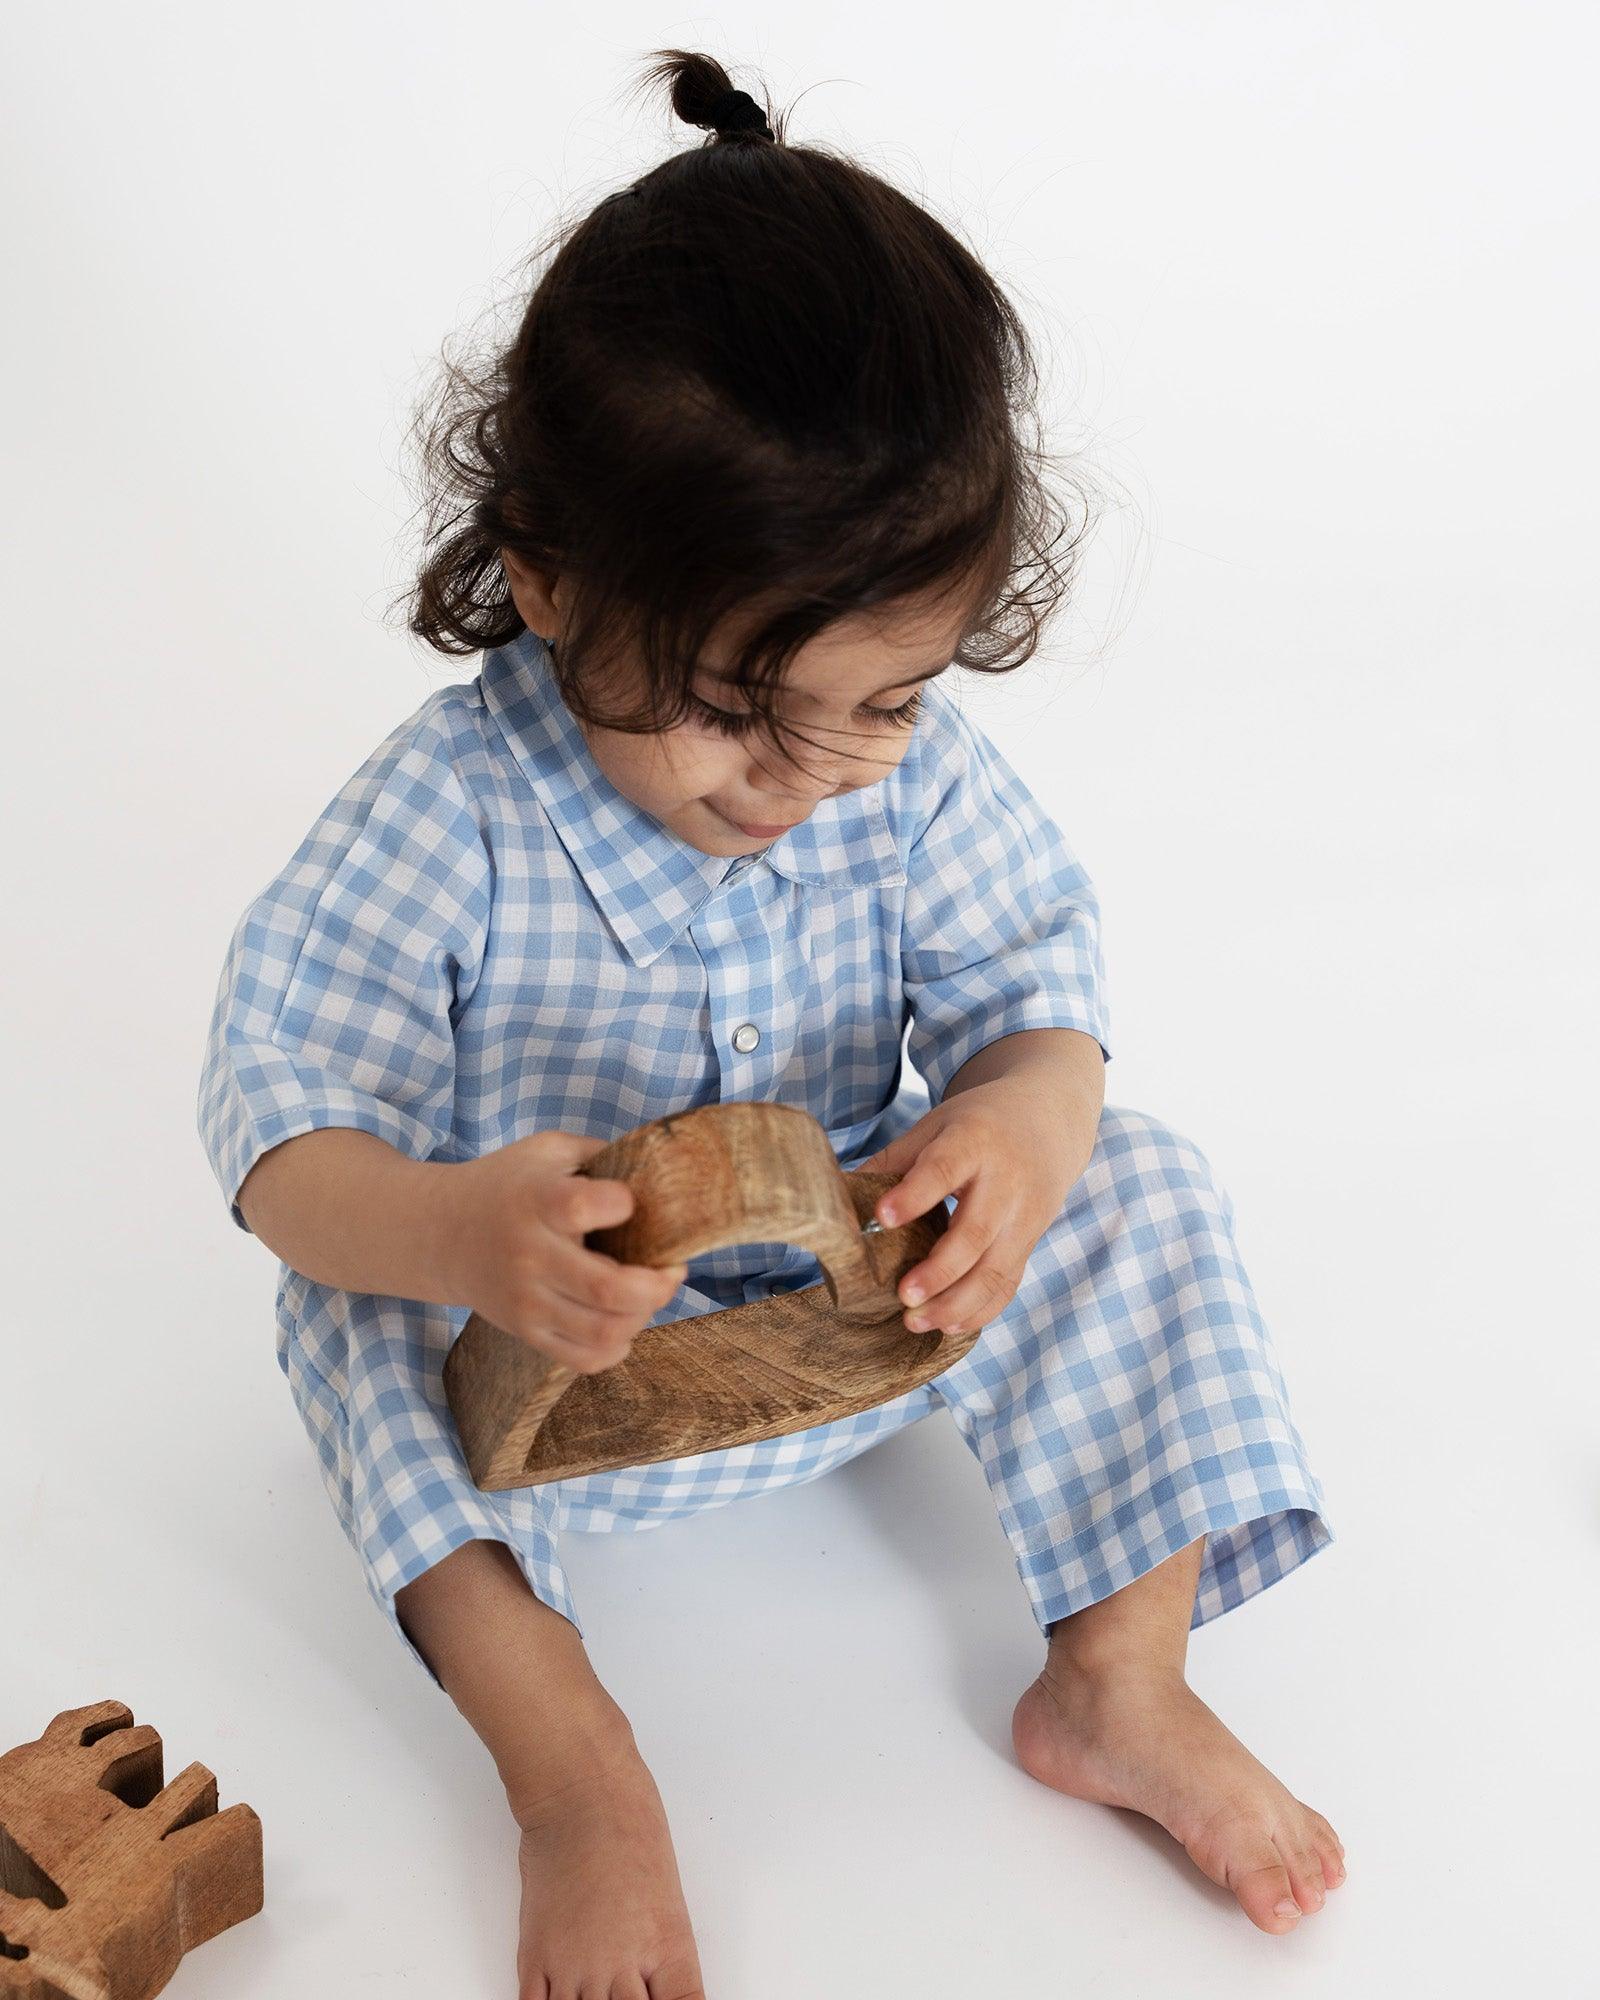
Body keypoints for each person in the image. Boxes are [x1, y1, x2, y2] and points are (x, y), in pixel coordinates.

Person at [195, 48, 1342, 1998]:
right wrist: (463, 1230)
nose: (810, 775)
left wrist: (1018, 1136)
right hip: (556, 1367)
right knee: (347, 1325)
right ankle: (575, 1773)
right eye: (738, 704)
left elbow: (1039, 1011)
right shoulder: (442, 823)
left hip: (865, 1303)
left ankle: (1116, 1677)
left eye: (879, 703)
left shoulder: (902, 776)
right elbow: (277, 1139)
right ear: (547, 583)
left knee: (1135, 1177)